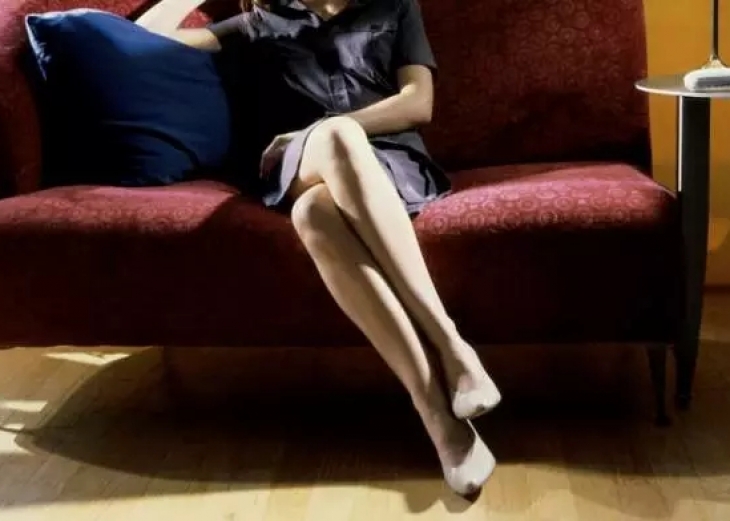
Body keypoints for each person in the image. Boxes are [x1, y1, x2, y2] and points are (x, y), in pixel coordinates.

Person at [136, 0, 501, 496]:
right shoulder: (258, 23)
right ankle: (453, 348)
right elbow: (143, 41)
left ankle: (438, 416)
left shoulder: (394, 7)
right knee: (336, 136)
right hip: (299, 163)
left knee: (314, 213)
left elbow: (419, 103)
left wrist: (321, 128)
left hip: (389, 161)